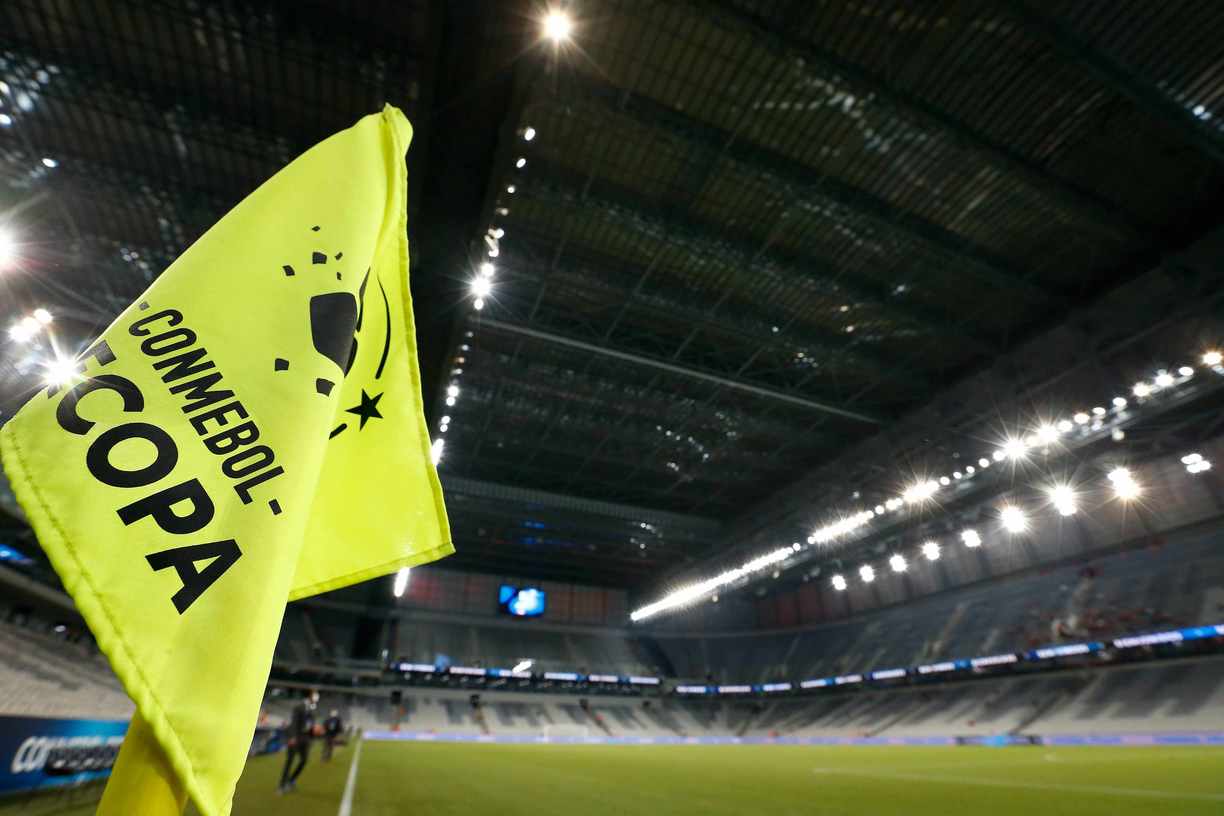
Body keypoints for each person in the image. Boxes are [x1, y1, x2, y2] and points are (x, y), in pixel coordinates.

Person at [277, 689, 318, 794]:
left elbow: (310, 724)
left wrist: (314, 732)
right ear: (310, 696)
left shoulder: (312, 709)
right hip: (295, 737)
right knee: (289, 762)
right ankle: (282, 785)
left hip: (305, 738)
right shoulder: (299, 707)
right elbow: (294, 722)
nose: (317, 697)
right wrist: (292, 737)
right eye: (315, 695)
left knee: (304, 760)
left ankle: (291, 780)